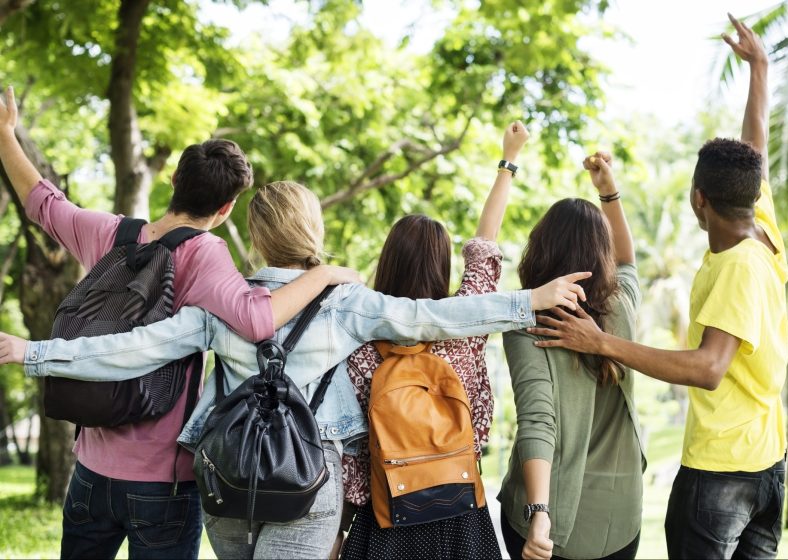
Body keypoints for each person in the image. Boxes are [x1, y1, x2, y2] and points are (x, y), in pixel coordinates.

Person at [0, 159, 590, 559]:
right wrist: (527, 301)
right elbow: (432, 317)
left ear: (253, 237)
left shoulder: (219, 303)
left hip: (228, 481)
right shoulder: (346, 303)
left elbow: (130, 349)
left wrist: (36, 354)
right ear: (315, 230)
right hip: (310, 483)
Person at [0, 86, 358, 559]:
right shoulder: (207, 255)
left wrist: (7, 134)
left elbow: (43, 202)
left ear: (173, 179)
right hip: (161, 483)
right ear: (227, 207)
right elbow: (257, 319)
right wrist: (326, 274)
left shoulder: (111, 234)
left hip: (89, 472)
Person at [527, 15, 788, 559]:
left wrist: (600, 342)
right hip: (769, 462)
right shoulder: (760, 225)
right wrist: (760, 70)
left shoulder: (739, 266)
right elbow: (754, 146)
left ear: (699, 200)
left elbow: (708, 368)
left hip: (723, 474)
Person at [340, 122, 531, 559]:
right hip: (460, 510)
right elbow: (485, 247)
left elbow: (352, 451)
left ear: (387, 262)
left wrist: (341, 528)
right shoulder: (463, 328)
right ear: (441, 266)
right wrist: (509, 159)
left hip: (387, 514)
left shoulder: (360, 338)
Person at [498, 151, 644, 560]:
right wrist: (609, 193)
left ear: (540, 247)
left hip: (549, 521)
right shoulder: (621, 306)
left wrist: (539, 513)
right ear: (602, 252)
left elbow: (537, 420)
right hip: (619, 521)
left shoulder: (529, 321)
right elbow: (628, 261)